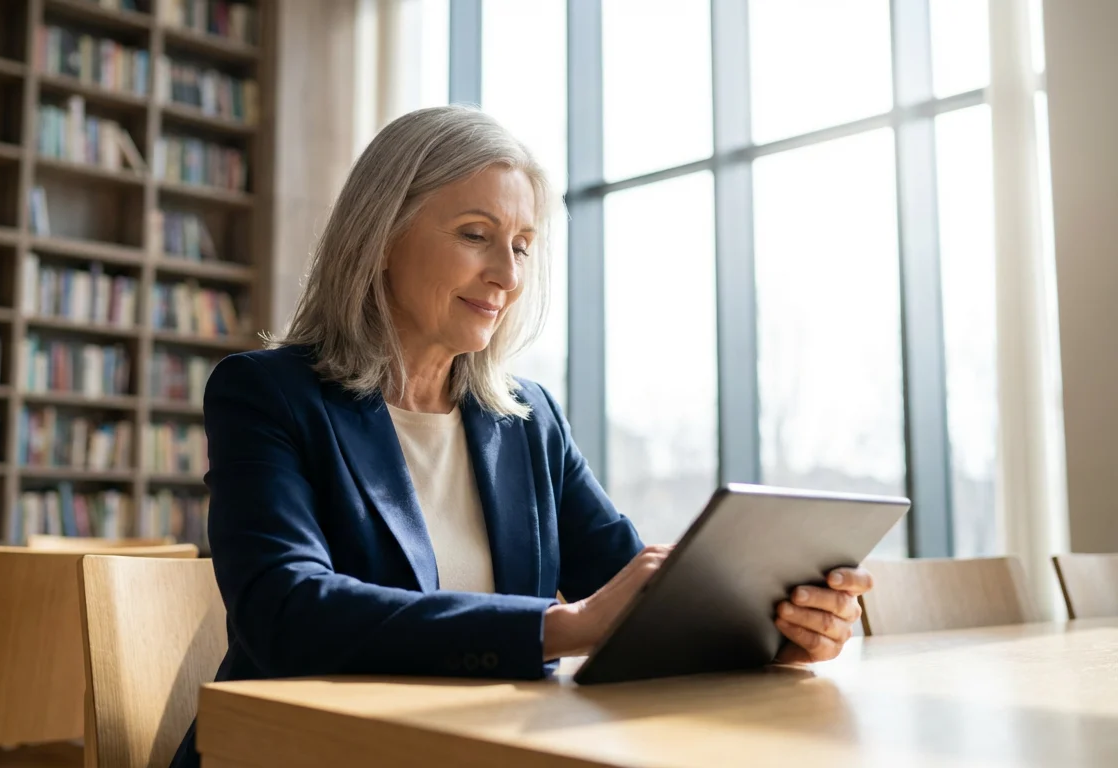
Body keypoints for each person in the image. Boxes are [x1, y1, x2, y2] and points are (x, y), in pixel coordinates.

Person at [171, 105, 873, 767]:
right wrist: (559, 627)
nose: (507, 275)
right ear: (380, 238)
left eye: (522, 246)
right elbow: (285, 612)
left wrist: (772, 632)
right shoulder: (267, 393)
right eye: (476, 235)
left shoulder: (528, 420)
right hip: (294, 752)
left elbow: (629, 602)